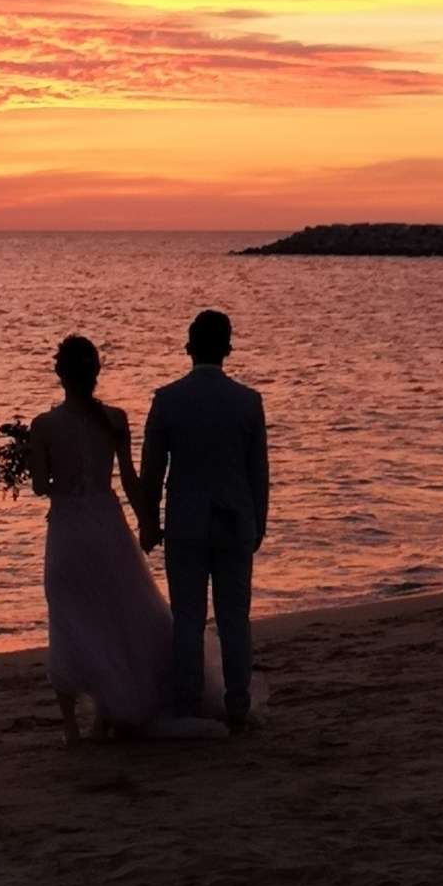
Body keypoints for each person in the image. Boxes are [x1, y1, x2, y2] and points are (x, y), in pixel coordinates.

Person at [24, 335, 181, 744]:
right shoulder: (115, 419)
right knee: (115, 616)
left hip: (69, 533)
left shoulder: (43, 426)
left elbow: (42, 486)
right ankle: (104, 718)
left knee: (69, 619)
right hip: (109, 528)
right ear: (96, 372)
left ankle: (72, 727)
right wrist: (148, 520)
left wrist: (31, 457)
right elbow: (128, 479)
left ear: (60, 374)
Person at [138, 309, 268, 732]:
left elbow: (152, 472)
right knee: (235, 618)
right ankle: (237, 703)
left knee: (188, 619)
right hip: (235, 520)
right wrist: (259, 522)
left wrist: (147, 522)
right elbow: (258, 473)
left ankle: (188, 704)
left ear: (188, 348)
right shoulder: (248, 402)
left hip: (186, 523)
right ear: (228, 350)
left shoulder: (167, 400)